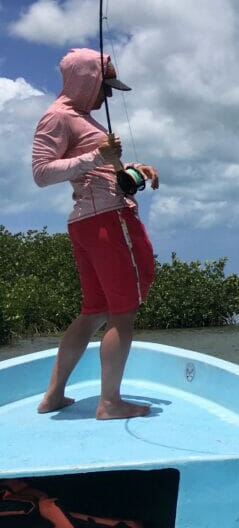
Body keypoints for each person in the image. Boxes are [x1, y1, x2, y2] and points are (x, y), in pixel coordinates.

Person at [31, 47, 160, 420]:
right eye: (105, 86)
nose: (109, 95)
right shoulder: (57, 117)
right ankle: (110, 403)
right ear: (87, 80)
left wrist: (135, 167)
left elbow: (101, 167)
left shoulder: (83, 119)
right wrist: (97, 158)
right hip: (106, 222)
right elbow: (42, 173)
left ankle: (53, 396)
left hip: (89, 221)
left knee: (94, 311)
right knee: (123, 312)